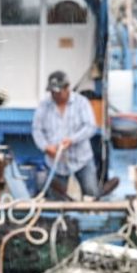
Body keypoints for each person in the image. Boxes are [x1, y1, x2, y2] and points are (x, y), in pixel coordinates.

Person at [32, 70, 118, 199]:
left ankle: (90, 216)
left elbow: (90, 127)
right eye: (52, 92)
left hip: (82, 160)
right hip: (56, 164)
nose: (55, 95)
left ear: (67, 88)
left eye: (58, 92)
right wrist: (45, 147)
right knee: (56, 200)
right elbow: (36, 130)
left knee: (91, 195)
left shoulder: (81, 103)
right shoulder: (44, 106)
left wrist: (72, 140)